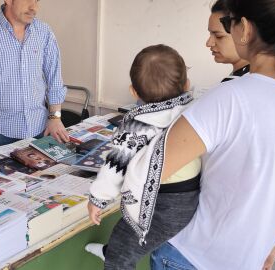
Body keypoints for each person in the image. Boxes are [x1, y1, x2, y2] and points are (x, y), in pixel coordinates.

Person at [147, 0, 275, 269]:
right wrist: (271, 242)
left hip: (191, 255)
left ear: (244, 28)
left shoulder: (231, 98)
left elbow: (153, 167)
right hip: (246, 260)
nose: (212, 40)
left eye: (225, 26)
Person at [86, 45, 201, 269]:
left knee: (122, 250)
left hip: (163, 203)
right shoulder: (193, 110)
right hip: (191, 196)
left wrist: (97, 199)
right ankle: (112, 249)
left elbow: (115, 166)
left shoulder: (137, 124)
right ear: (186, 84)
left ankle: (113, 254)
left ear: (133, 91)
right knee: (129, 236)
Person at [0, 0, 70, 163]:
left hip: (40, 129)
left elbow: (54, 77)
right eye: (28, 0)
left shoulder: (44, 32)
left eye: (37, 1)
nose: (34, 7)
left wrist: (55, 117)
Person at [206, 0, 250, 82]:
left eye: (219, 36)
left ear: (245, 32)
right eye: (210, 34)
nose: (208, 43)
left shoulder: (243, 86)